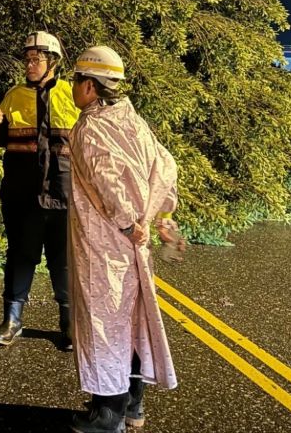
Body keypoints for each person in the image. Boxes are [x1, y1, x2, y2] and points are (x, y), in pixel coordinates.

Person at [67, 46, 184, 433]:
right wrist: (161, 216)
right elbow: (165, 166)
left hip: (103, 246)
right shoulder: (132, 119)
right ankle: (133, 406)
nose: (73, 88)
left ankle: (108, 415)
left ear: (89, 86)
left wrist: (127, 224)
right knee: (132, 323)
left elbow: (107, 184)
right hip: (136, 245)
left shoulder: (89, 128)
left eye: (75, 81)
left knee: (104, 325)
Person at [0, 31, 80, 349]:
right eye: (26, 59)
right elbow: (0, 139)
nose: (29, 65)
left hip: (64, 195)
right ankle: (12, 320)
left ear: (53, 62)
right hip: (22, 195)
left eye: (36, 59)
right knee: (20, 256)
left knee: (63, 261)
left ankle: (69, 323)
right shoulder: (14, 96)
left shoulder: (71, 95)